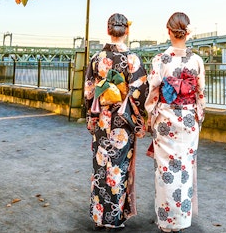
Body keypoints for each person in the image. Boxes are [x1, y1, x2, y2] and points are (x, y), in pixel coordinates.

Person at [83, 13, 149, 230]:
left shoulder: (96, 59)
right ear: (126, 31)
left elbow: (89, 93)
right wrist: (140, 121)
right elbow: (139, 93)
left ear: (108, 29)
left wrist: (92, 118)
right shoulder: (132, 59)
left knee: (101, 164)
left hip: (102, 118)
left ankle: (99, 216)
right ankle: (114, 218)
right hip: (123, 120)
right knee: (118, 167)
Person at [144, 12, 206, 233]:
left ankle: (166, 221)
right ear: (187, 32)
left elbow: (152, 95)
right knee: (185, 168)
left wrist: (152, 117)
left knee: (165, 170)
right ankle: (181, 220)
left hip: (166, 120)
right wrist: (197, 118)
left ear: (168, 31)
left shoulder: (160, 60)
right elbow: (200, 95)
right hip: (188, 120)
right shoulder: (196, 61)